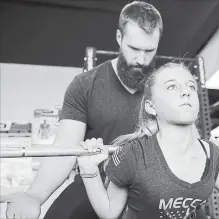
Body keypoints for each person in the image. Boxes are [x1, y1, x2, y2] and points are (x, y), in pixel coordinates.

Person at [1, 2, 165, 219]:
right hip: (97, 183)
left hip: (154, 189)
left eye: (149, 50)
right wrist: (34, 196)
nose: (141, 60)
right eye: (134, 49)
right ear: (119, 38)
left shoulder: (166, 86)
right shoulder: (85, 85)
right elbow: (66, 148)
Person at [76, 62, 219, 219]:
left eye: (191, 86)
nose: (186, 91)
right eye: (172, 86)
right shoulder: (133, 154)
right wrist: (89, 171)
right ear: (151, 107)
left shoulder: (211, 153)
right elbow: (109, 212)